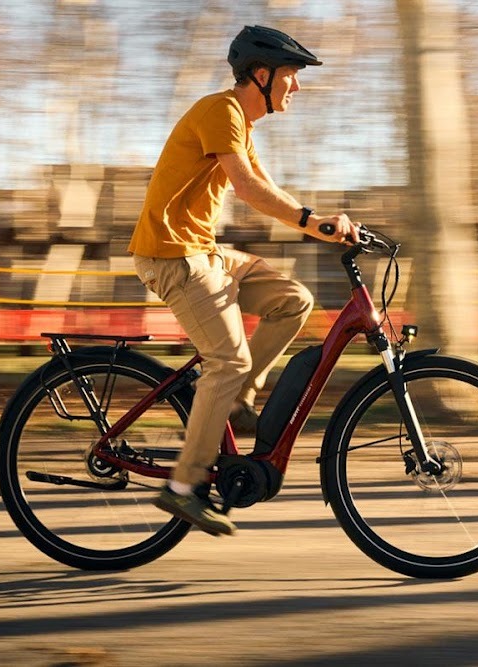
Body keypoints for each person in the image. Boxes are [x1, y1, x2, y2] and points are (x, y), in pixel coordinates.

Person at [129, 25, 360, 536]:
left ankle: (233, 402)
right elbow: (250, 188)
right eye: (291, 76)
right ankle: (183, 487)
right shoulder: (221, 111)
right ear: (261, 75)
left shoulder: (241, 126)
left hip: (204, 253)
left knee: (292, 300)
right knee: (227, 359)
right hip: (173, 255)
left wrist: (323, 224)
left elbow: (264, 186)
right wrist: (313, 221)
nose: (295, 87)